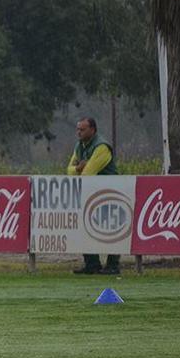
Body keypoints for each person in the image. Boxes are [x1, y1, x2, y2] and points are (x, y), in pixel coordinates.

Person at [67, 116, 121, 275]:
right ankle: (92, 264)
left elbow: (88, 173)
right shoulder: (79, 146)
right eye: (78, 129)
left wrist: (79, 169)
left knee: (112, 230)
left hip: (111, 192)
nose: (79, 132)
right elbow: (70, 171)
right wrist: (77, 169)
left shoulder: (102, 147)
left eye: (82, 129)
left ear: (93, 130)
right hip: (90, 194)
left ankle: (113, 265)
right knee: (85, 226)